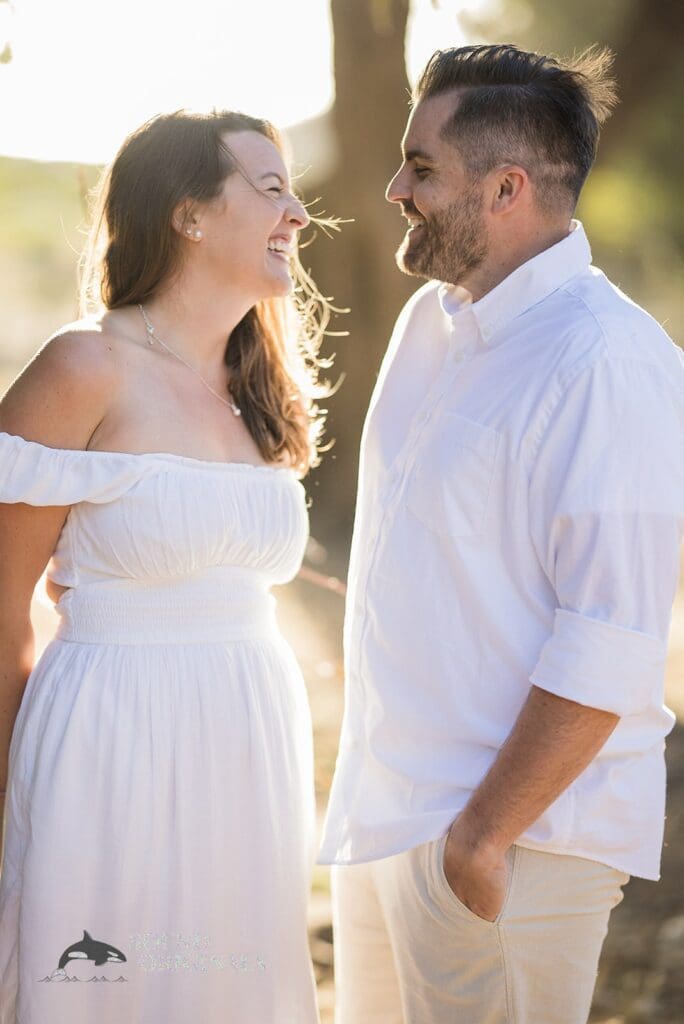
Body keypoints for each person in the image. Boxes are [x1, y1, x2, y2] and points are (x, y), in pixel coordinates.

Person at [318, 43, 684, 1024]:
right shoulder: (432, 325)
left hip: (511, 847)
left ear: (508, 186)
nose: (394, 187)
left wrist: (479, 840)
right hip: (388, 818)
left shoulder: (607, 364)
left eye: (422, 168)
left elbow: (609, 638)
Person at [0, 108, 332, 1023]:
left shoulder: (261, 390)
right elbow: (0, 619)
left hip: (249, 738)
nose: (298, 214)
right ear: (188, 214)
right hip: (111, 740)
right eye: (270, 189)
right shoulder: (84, 369)